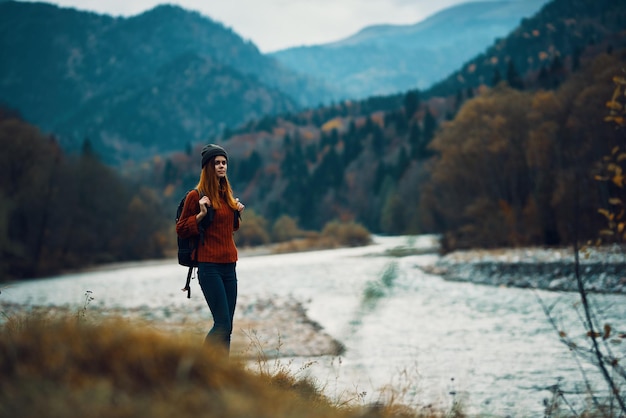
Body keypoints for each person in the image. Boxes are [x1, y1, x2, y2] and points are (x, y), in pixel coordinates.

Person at [176, 143, 245, 356]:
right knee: (222, 324)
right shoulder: (196, 196)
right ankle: (203, 367)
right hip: (209, 267)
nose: (222, 166)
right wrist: (201, 214)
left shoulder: (226, 195)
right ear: (208, 166)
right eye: (217, 163)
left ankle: (221, 373)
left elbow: (228, 229)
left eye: (224, 163)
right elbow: (181, 228)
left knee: (228, 327)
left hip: (229, 266)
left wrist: (236, 213)